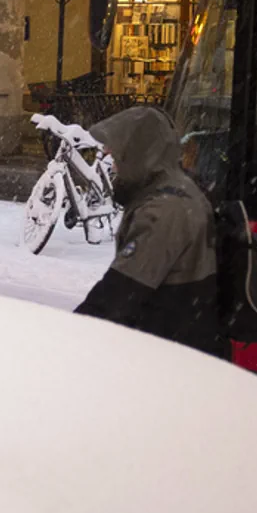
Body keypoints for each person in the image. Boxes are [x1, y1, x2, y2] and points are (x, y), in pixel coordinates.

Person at [74, 106, 229, 358]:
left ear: (138, 154)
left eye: (117, 157)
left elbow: (118, 294)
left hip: (175, 355)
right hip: (182, 346)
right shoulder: (177, 187)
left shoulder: (165, 209)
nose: (111, 165)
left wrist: (66, 337)